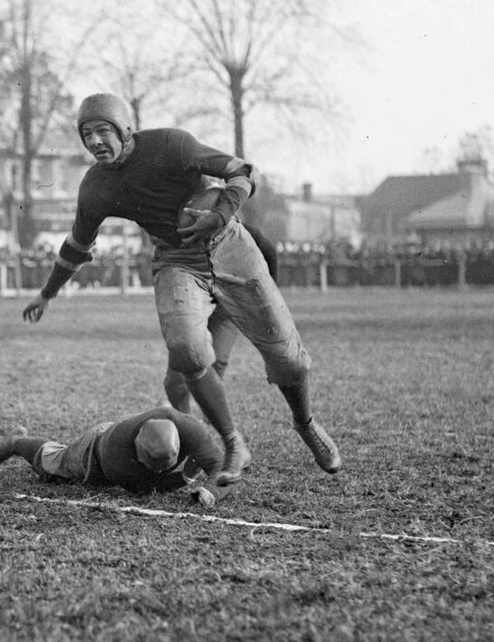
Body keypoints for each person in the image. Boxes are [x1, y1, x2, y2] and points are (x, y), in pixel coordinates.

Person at [20, 93, 340, 487]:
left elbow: (242, 171)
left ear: (125, 128)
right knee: (187, 352)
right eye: (87, 134)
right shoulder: (96, 187)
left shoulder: (171, 145)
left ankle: (305, 424)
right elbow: (76, 247)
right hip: (176, 259)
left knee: (290, 362)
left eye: (103, 130)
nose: (95, 141)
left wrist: (220, 213)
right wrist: (47, 293)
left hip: (230, 244)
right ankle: (231, 442)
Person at [0, 406, 229, 509]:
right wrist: (184, 478)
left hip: (115, 430)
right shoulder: (119, 460)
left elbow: (222, 466)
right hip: (93, 455)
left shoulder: (188, 427)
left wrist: (211, 491)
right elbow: (145, 489)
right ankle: (15, 442)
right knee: (53, 463)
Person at [162, 210, 280, 415]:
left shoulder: (248, 235)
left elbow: (270, 254)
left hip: (227, 306)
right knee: (181, 367)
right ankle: (183, 418)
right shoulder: (188, 236)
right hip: (194, 304)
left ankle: (210, 412)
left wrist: (267, 292)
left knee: (217, 360)